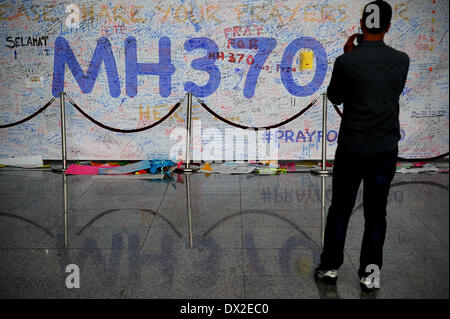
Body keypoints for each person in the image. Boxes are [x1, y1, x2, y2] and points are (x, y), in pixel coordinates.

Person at [314, 0, 409, 292]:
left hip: (352, 148)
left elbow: (335, 97)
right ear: (388, 26)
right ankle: (370, 273)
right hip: (384, 149)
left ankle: (330, 267)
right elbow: (388, 90)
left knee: (340, 209)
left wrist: (348, 56)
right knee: (376, 212)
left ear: (361, 25)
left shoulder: (347, 62)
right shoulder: (401, 60)